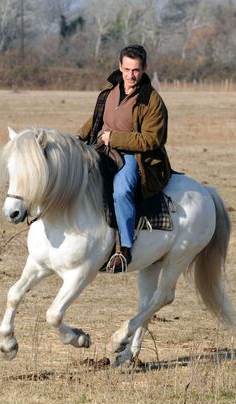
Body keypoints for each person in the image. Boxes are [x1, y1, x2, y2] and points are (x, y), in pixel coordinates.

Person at [77, 45, 172, 273]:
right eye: (127, 69)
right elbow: (96, 120)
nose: (131, 75)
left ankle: (124, 249)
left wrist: (115, 138)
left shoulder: (152, 101)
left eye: (136, 70)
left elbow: (152, 140)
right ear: (120, 67)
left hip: (134, 157)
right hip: (102, 148)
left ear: (144, 69)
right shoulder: (110, 93)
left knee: (121, 192)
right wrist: (78, 138)